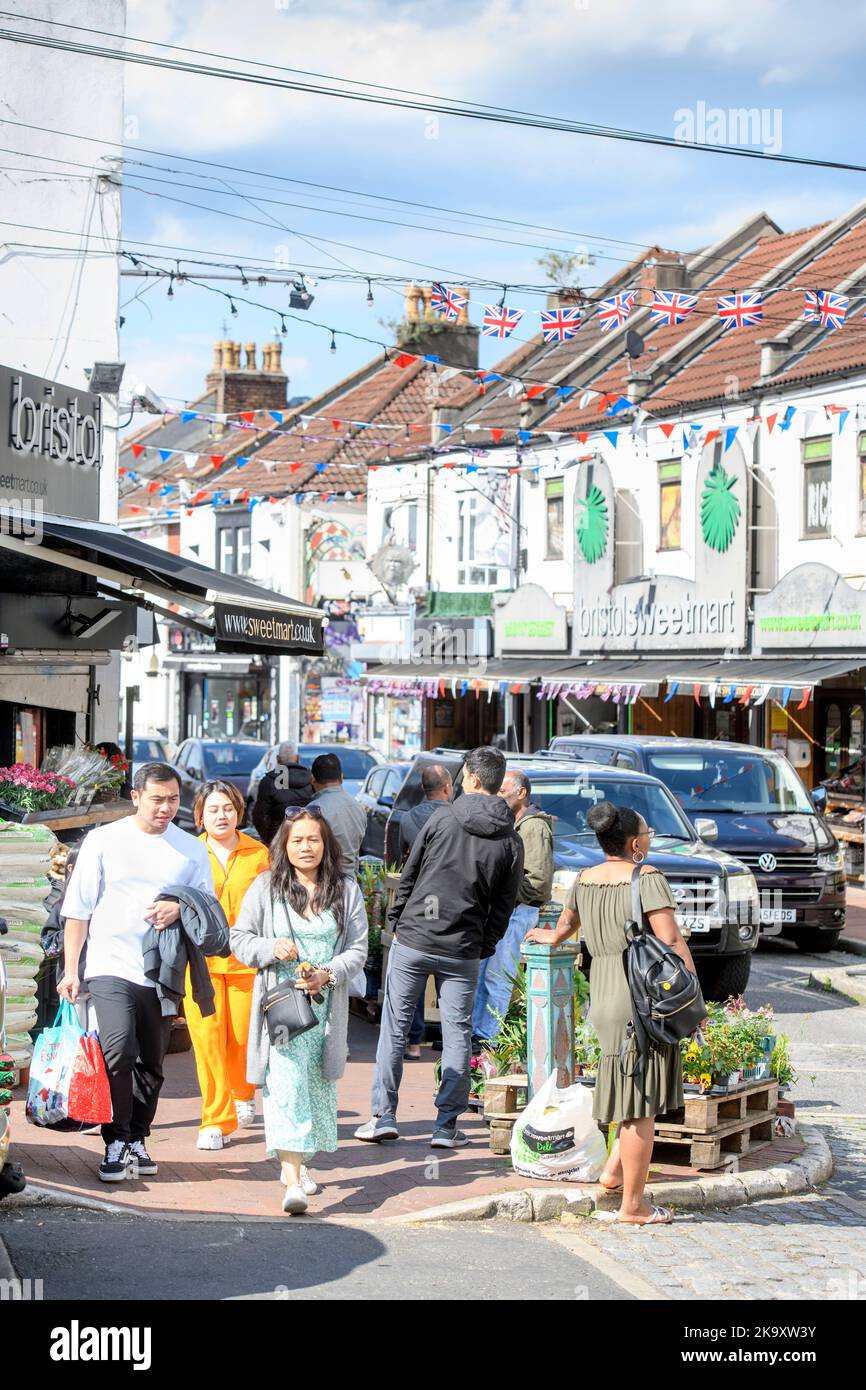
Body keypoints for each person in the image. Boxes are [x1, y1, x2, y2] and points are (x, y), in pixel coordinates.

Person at [525, 801, 697, 1226]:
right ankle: (634, 1207)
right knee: (640, 1107)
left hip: (604, 998)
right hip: (642, 999)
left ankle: (612, 1175)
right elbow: (672, 941)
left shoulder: (584, 879)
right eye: (648, 833)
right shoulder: (648, 878)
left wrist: (548, 937)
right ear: (634, 842)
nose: (650, 839)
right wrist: (693, 998)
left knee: (628, 1090)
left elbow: (566, 926)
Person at [355, 745, 524, 1149]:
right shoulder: (510, 839)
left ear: (472, 778)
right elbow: (504, 905)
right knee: (457, 1034)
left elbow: (409, 874)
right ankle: (446, 1125)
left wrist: (396, 924)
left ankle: (383, 1115)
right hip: (463, 948)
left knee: (395, 1029)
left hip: (415, 937)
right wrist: (483, 944)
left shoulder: (443, 818)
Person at [58, 762, 214, 1184]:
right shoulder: (104, 840)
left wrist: (180, 907)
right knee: (118, 1050)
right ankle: (115, 1140)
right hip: (109, 964)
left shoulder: (190, 848)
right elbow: (78, 908)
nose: (165, 808)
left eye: (174, 800)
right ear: (136, 796)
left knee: (152, 1061)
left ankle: (139, 1138)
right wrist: (72, 969)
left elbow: (208, 907)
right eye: (157, 799)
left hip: (163, 971)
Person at [230, 807, 368, 1215]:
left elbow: (358, 950)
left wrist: (328, 973)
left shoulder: (346, 889)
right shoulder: (266, 887)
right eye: (297, 841)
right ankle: (292, 1182)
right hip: (283, 1011)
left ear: (326, 845)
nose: (305, 848)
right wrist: (269, 948)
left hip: (325, 1013)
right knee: (286, 1087)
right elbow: (239, 938)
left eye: (313, 840)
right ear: (284, 846)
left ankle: (298, 1163)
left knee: (314, 1087)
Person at [186, 780, 270, 1151]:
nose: (221, 816)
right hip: (199, 963)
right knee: (207, 1041)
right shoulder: (188, 852)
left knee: (240, 1038)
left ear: (239, 812)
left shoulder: (260, 854)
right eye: (213, 810)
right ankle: (215, 1119)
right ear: (200, 815)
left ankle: (242, 1091)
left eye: (228, 809)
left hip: (246, 964)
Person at [472, 768, 554, 1042]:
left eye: (503, 791)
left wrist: (505, 893)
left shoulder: (533, 827)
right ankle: (478, 1034)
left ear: (522, 793)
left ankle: (489, 1038)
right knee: (485, 973)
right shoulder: (514, 822)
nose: (498, 796)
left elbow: (538, 881)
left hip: (518, 911)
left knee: (498, 975)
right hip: (505, 909)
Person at [398, 763, 453, 1058]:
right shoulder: (457, 817)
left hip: (419, 902)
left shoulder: (408, 819)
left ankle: (414, 1043)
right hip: (452, 903)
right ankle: (448, 1038)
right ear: (447, 787)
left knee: (416, 974)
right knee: (450, 973)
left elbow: (403, 862)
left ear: (422, 788)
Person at [310, 752, 367, 877]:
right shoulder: (358, 807)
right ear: (341, 777)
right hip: (351, 880)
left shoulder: (314, 810)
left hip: (324, 882)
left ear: (313, 779)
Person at [252, 743, 313, 846]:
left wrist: (269, 839)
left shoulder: (268, 781)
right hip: (307, 838)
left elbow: (260, 816)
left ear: (278, 759)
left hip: (278, 840)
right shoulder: (312, 779)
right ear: (298, 758)